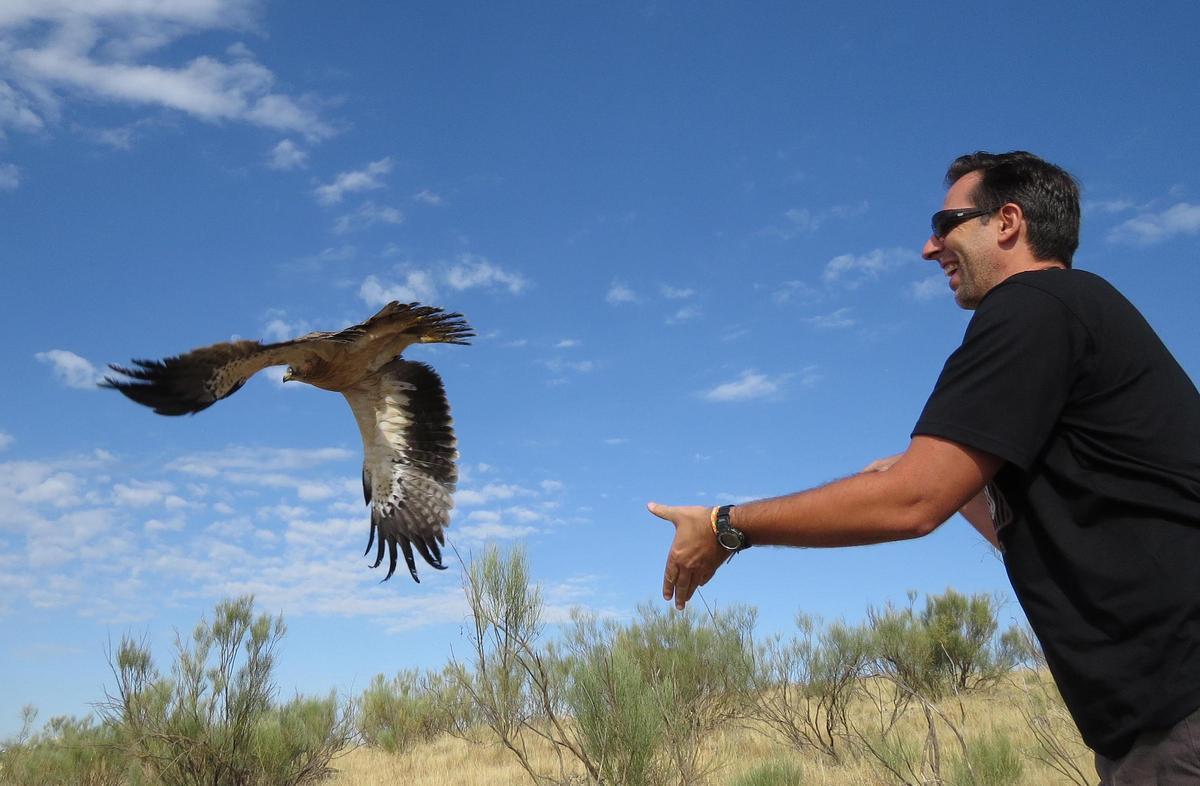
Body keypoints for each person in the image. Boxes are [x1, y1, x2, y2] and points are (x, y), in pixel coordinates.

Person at [648, 151, 1200, 783]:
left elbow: (912, 504)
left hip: (1180, 718)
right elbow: (1054, 532)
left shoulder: (1034, 305)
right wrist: (961, 484)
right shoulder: (1074, 315)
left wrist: (726, 526)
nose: (928, 247)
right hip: (1154, 723)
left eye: (946, 222)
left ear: (1008, 221)